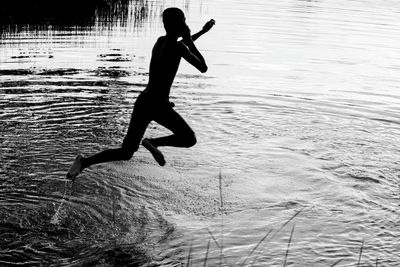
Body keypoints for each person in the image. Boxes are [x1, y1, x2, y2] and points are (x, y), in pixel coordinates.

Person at [67, 7, 215, 181]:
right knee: (189, 139)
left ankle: (83, 162)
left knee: (126, 152)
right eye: (183, 20)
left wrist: (200, 33)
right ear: (179, 24)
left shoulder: (161, 42)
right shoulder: (180, 47)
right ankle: (152, 142)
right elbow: (203, 67)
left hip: (144, 101)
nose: (186, 24)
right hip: (158, 105)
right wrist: (191, 40)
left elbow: (180, 48)